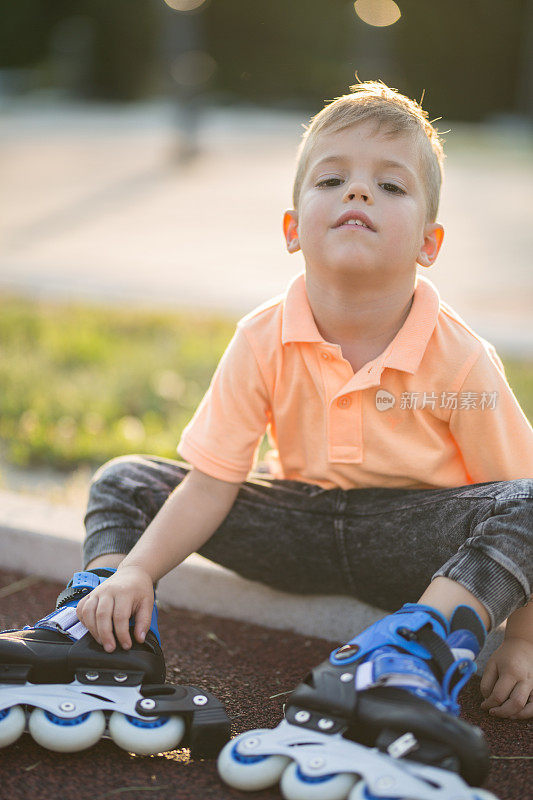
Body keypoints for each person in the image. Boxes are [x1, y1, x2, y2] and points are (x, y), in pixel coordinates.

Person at [77, 81, 533, 721]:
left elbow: (515, 500)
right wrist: (138, 571)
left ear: (429, 244)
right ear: (293, 229)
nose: (358, 191)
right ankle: (100, 622)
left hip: (418, 546)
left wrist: (524, 638)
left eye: (391, 186)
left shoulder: (462, 358)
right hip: (297, 526)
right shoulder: (260, 337)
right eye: (332, 180)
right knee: (124, 480)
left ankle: (418, 649)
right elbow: (211, 483)